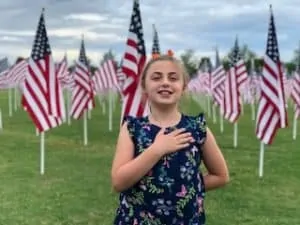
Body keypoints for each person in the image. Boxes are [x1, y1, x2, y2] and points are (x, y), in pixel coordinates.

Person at [111, 50, 229, 225]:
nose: (165, 83)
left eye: (173, 78)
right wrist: (157, 150)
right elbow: (118, 182)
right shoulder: (132, 128)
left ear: (183, 87)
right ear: (144, 86)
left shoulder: (197, 128)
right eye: (156, 78)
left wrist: (188, 188)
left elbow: (221, 176)